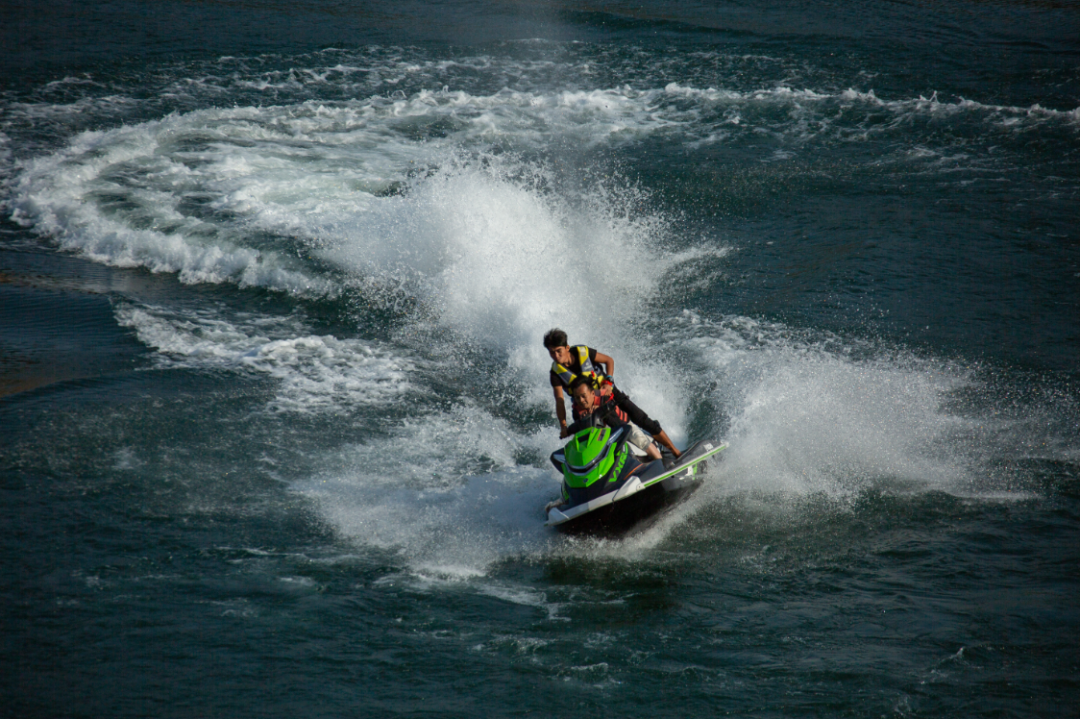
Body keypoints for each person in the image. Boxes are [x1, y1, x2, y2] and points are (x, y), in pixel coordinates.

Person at [543, 328, 681, 459]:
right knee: (590, 443)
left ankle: (675, 452)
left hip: (610, 394)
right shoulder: (555, 373)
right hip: (586, 408)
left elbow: (609, 360)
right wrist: (563, 426)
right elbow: (559, 400)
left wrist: (608, 383)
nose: (555, 356)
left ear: (567, 348)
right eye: (551, 352)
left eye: (558, 351)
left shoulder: (583, 351)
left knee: (642, 420)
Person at [568, 376, 662, 461]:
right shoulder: (577, 411)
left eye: (584, 396)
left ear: (592, 393)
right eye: (577, 398)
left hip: (624, 426)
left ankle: (660, 464)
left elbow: (616, 423)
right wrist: (583, 421)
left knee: (641, 441)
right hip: (601, 437)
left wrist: (599, 411)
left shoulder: (604, 399)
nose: (581, 400)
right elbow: (582, 434)